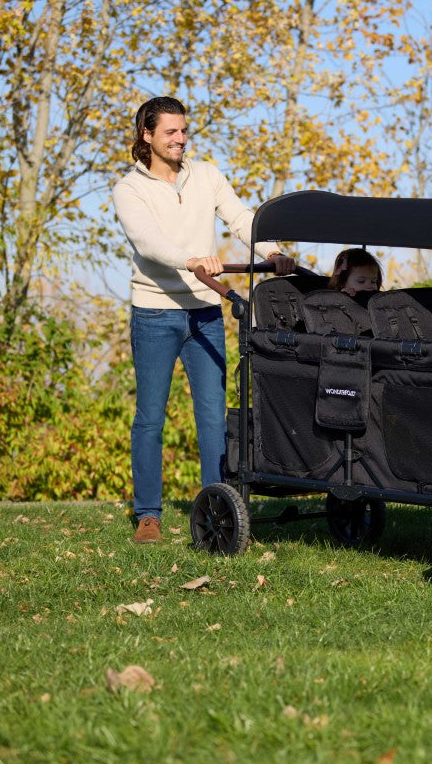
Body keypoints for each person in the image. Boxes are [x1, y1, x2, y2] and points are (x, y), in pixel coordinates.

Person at [112, 96, 295, 543]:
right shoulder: (129, 189)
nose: (180, 139)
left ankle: (219, 505)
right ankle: (148, 515)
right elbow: (148, 242)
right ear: (147, 135)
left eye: (183, 130)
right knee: (150, 417)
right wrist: (190, 259)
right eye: (170, 132)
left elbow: (239, 217)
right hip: (155, 312)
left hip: (205, 313)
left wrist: (272, 251)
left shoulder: (207, 175)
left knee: (213, 415)